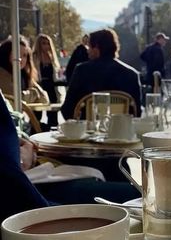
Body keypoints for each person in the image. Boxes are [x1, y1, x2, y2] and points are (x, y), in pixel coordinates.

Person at [0, 92, 139, 225]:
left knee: (130, 191)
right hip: (30, 193)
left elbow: (67, 110)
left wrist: (21, 145)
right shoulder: (130, 74)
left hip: (31, 182)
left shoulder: (81, 71)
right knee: (135, 196)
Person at [61, 28, 142, 120]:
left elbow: (67, 110)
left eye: (89, 47)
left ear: (96, 48)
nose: (87, 51)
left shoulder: (81, 71)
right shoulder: (132, 74)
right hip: (120, 131)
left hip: (88, 131)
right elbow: (137, 113)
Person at [0, 37, 49, 105]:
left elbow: (45, 99)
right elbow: (15, 98)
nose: (21, 59)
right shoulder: (2, 74)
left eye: (24, 55)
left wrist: (31, 94)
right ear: (6, 54)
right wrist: (33, 93)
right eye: (17, 54)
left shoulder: (24, 76)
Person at [32, 33, 61, 128]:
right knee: (37, 114)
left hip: (51, 87)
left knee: (53, 114)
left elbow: (55, 74)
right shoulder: (34, 56)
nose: (46, 46)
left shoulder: (51, 56)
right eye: (43, 43)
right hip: (39, 87)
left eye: (48, 43)